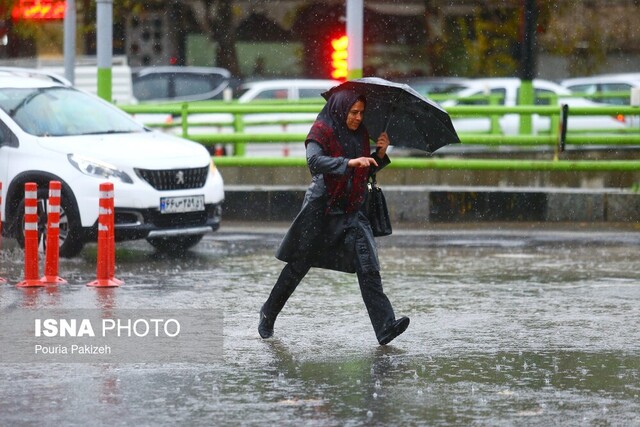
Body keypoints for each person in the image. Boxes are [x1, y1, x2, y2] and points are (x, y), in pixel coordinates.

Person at [258, 88, 410, 346]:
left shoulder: (361, 134)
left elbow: (364, 171)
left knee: (369, 266)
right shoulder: (321, 130)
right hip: (323, 207)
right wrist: (348, 163)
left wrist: (379, 156)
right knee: (298, 266)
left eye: (362, 113)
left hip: (354, 209)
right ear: (341, 109)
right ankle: (268, 312)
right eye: (353, 112)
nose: (358, 118)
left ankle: (385, 326)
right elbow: (314, 162)